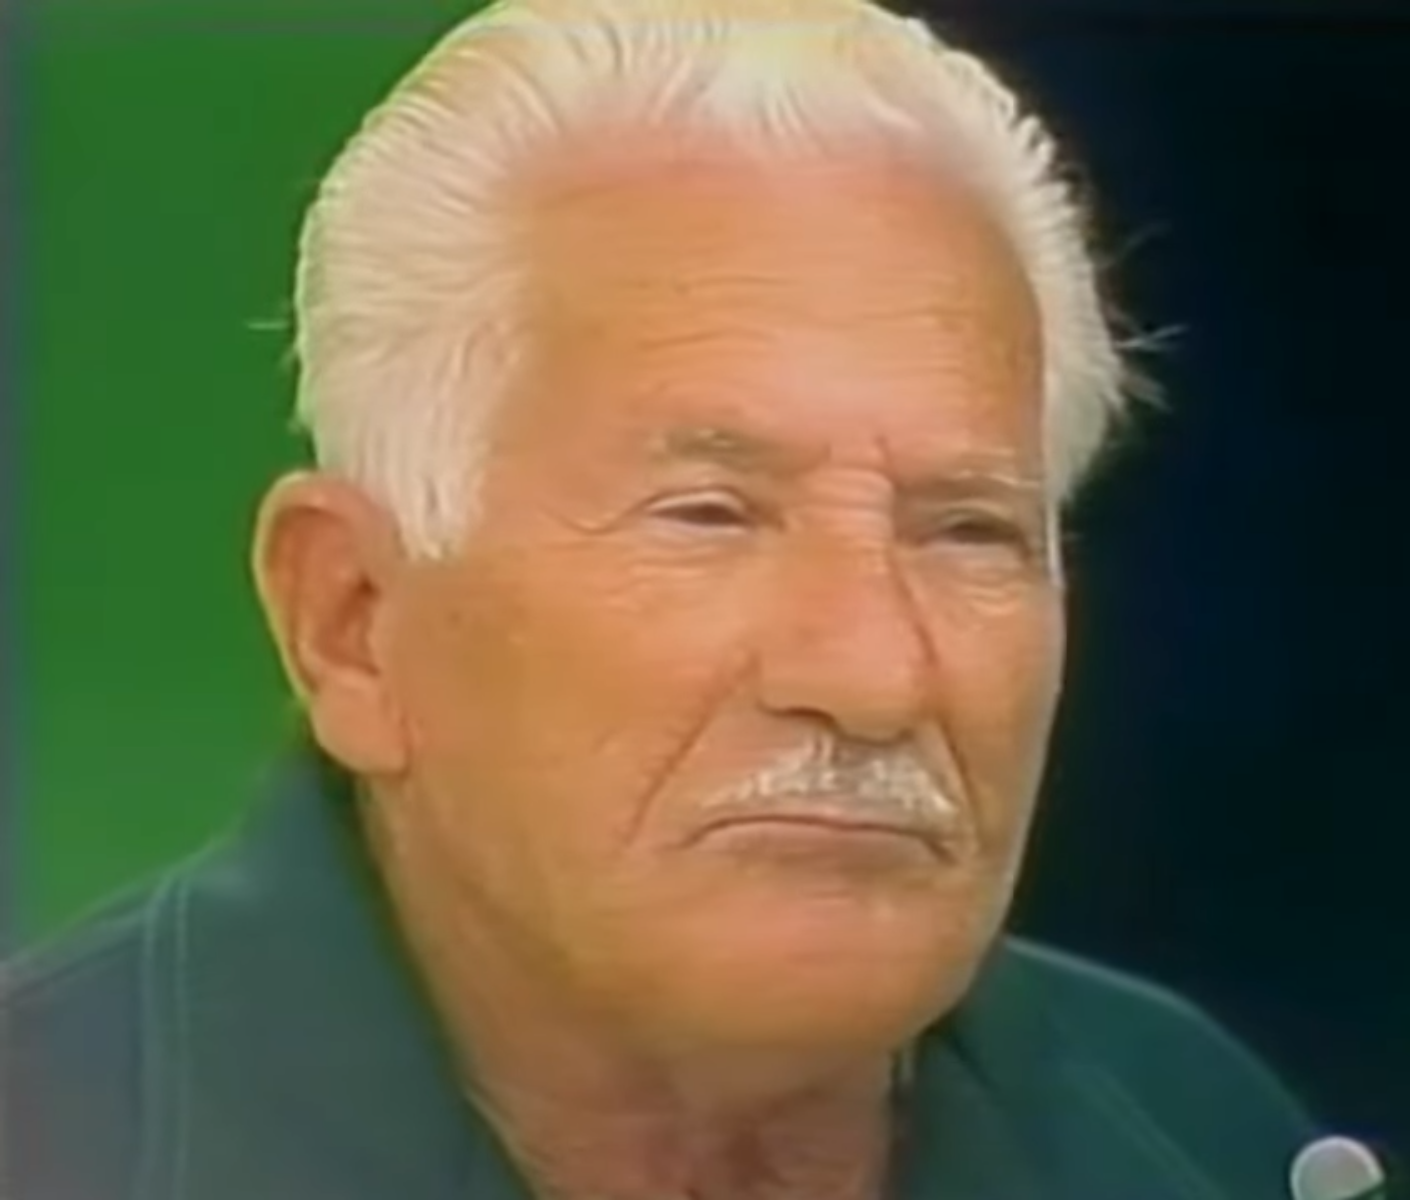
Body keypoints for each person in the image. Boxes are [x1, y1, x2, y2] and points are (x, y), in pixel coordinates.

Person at [1, 1, 1329, 1197]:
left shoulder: (1193, 1135)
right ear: (352, 623)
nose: (876, 675)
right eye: (710, 516)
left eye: (969, 531)